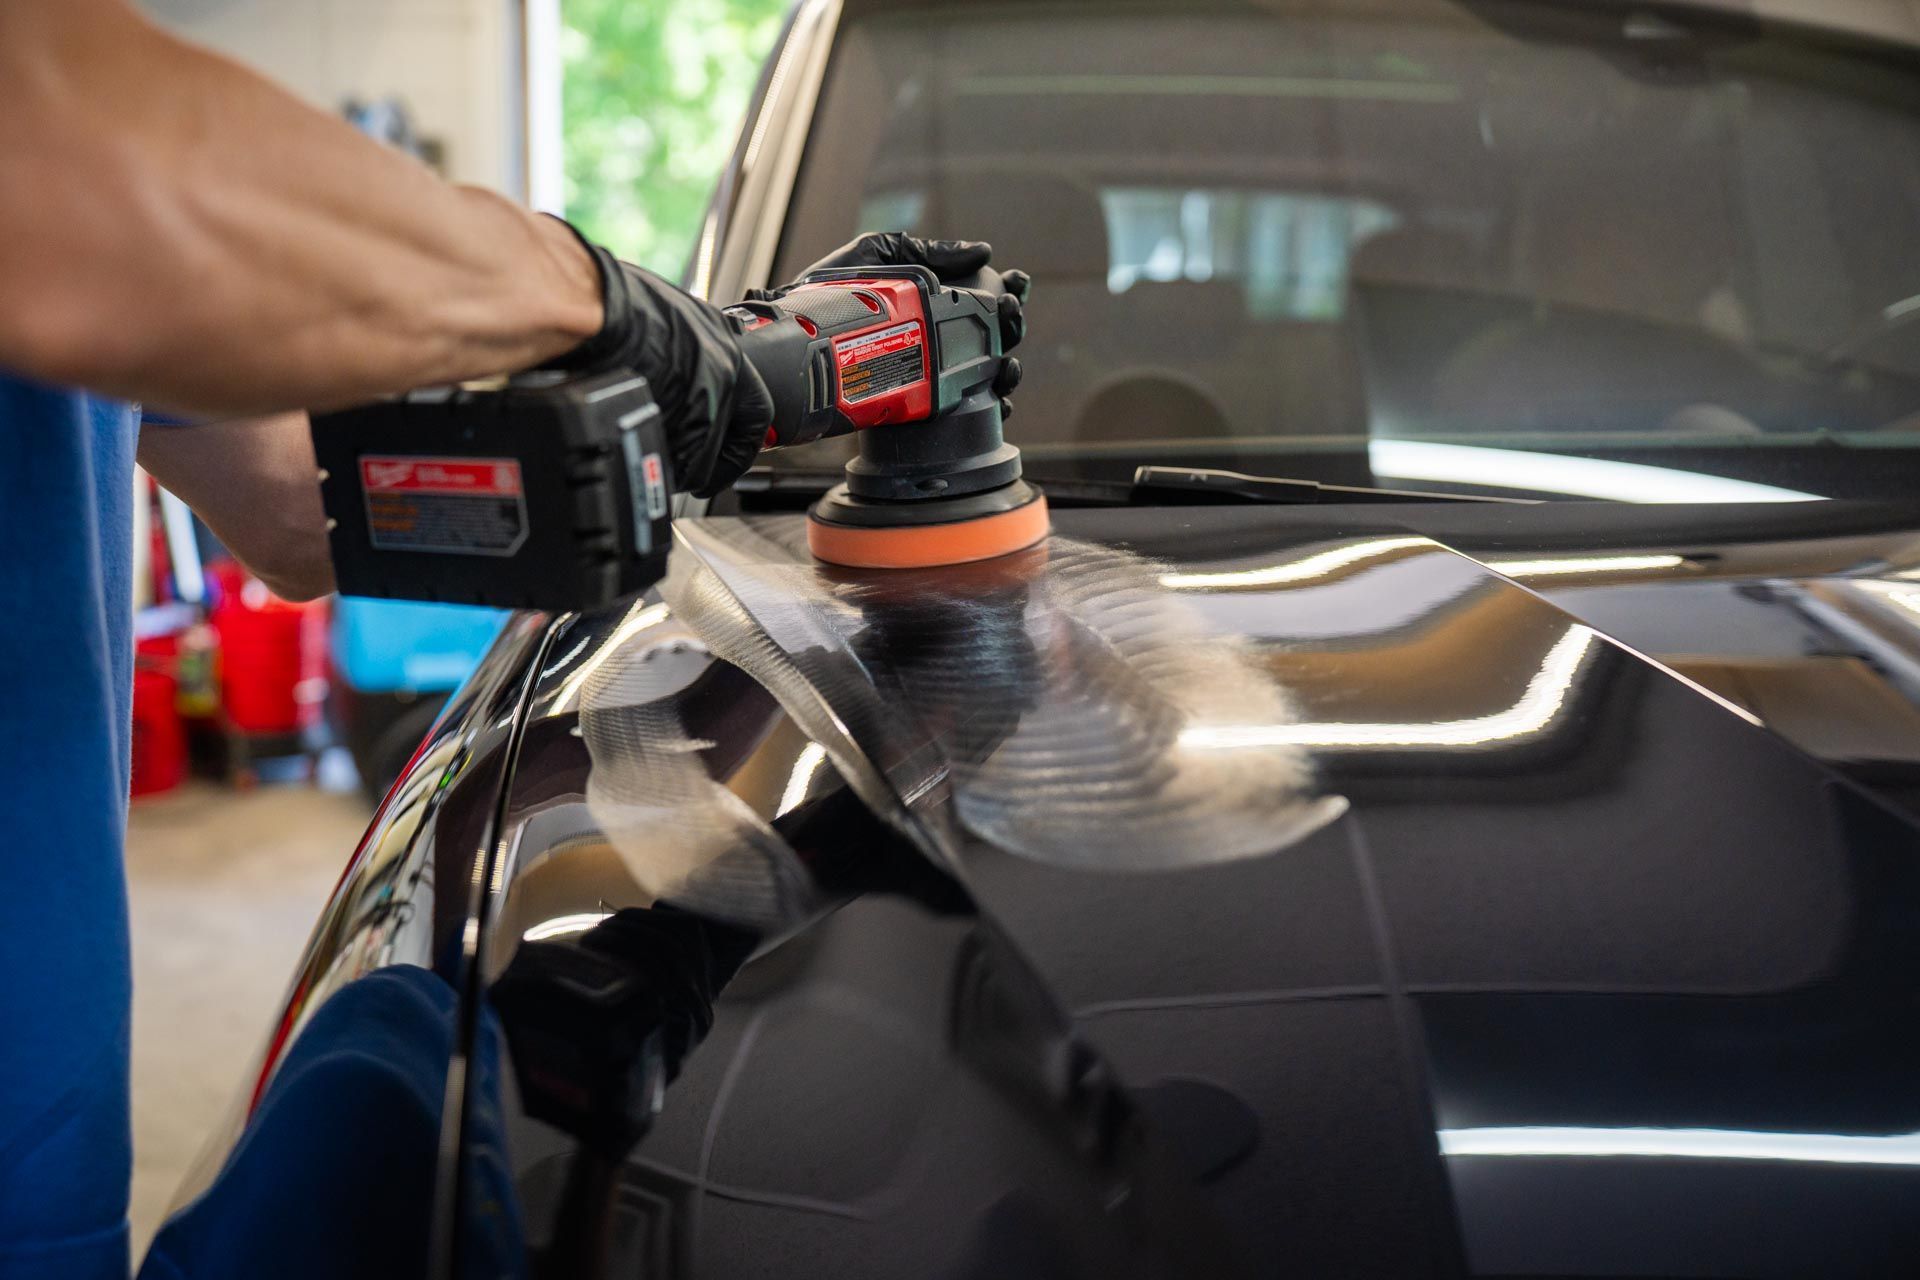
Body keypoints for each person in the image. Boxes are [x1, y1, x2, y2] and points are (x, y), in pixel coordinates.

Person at [0, 3, 1020, 1275]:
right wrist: (586, 297)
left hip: (46, 1164)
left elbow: (293, 501)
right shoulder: (61, 135)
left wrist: (761, 376)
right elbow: (52, 142)